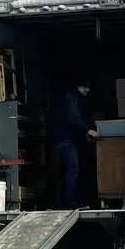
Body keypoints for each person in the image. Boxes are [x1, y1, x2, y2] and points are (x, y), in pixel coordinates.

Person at [52, 80, 98, 209]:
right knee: (72, 170)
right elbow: (73, 119)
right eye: (85, 86)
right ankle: (69, 204)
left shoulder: (69, 97)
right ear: (78, 85)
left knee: (66, 172)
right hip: (66, 140)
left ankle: (65, 202)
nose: (87, 90)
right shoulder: (72, 99)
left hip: (60, 139)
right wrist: (87, 130)